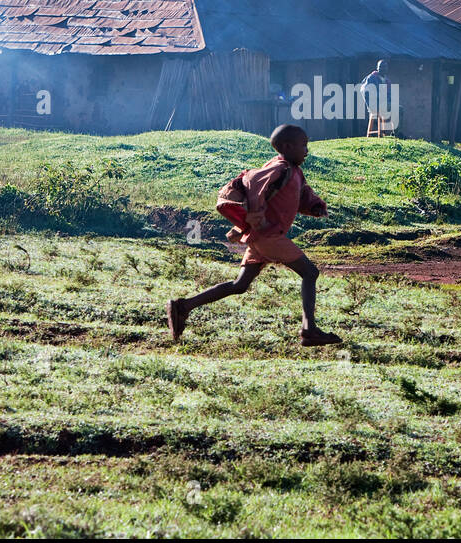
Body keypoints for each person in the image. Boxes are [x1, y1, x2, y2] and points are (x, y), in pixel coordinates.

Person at [168, 124, 340, 346]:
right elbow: (252, 181)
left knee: (239, 285)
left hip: (262, 238)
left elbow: (302, 192)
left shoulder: (293, 170)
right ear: (287, 147)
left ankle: (183, 306)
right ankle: (309, 330)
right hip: (268, 236)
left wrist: (315, 205)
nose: (306, 150)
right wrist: (255, 214)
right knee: (310, 273)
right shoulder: (279, 168)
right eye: (303, 145)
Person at [359, 59, 393, 136]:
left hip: (384, 104)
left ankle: (392, 133)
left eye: (385, 67)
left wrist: (389, 101)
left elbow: (389, 94)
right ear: (377, 68)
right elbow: (366, 91)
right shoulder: (371, 78)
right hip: (374, 105)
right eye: (381, 67)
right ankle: (393, 133)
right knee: (396, 108)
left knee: (398, 108)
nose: (383, 69)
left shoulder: (387, 81)